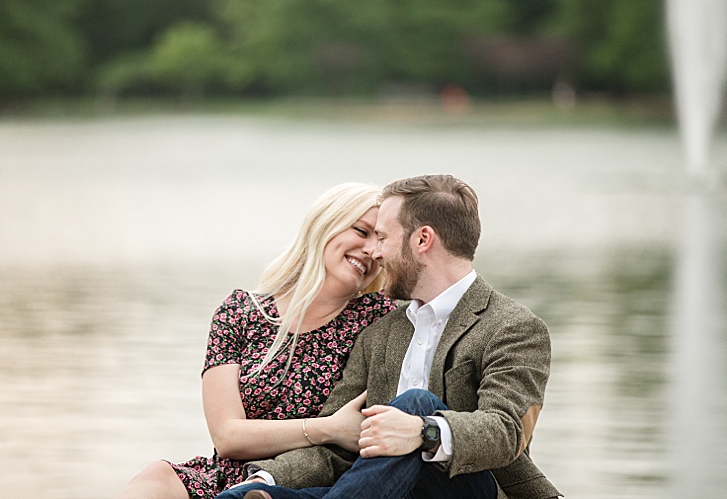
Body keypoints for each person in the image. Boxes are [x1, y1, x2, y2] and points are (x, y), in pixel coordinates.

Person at [216, 174, 561, 499]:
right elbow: (340, 446)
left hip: (471, 487)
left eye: (382, 237)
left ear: (422, 240)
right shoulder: (379, 334)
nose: (375, 253)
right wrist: (266, 476)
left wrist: (423, 431)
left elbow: (506, 431)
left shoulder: (511, 327)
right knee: (247, 495)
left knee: (416, 404)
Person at [114, 182, 398, 499]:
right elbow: (226, 436)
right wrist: (326, 427)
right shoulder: (239, 312)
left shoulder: (379, 319)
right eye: (361, 232)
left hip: (304, 481)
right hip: (225, 476)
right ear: (325, 225)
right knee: (155, 477)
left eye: (381, 240)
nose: (372, 251)